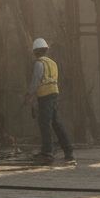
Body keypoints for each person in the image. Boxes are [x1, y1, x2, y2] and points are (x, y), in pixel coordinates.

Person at [25, 37, 74, 165]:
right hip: (54, 94)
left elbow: (36, 80)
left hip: (45, 96)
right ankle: (68, 151)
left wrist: (29, 94)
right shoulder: (52, 63)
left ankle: (47, 153)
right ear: (46, 50)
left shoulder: (39, 63)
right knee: (56, 123)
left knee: (44, 123)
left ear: (35, 51)